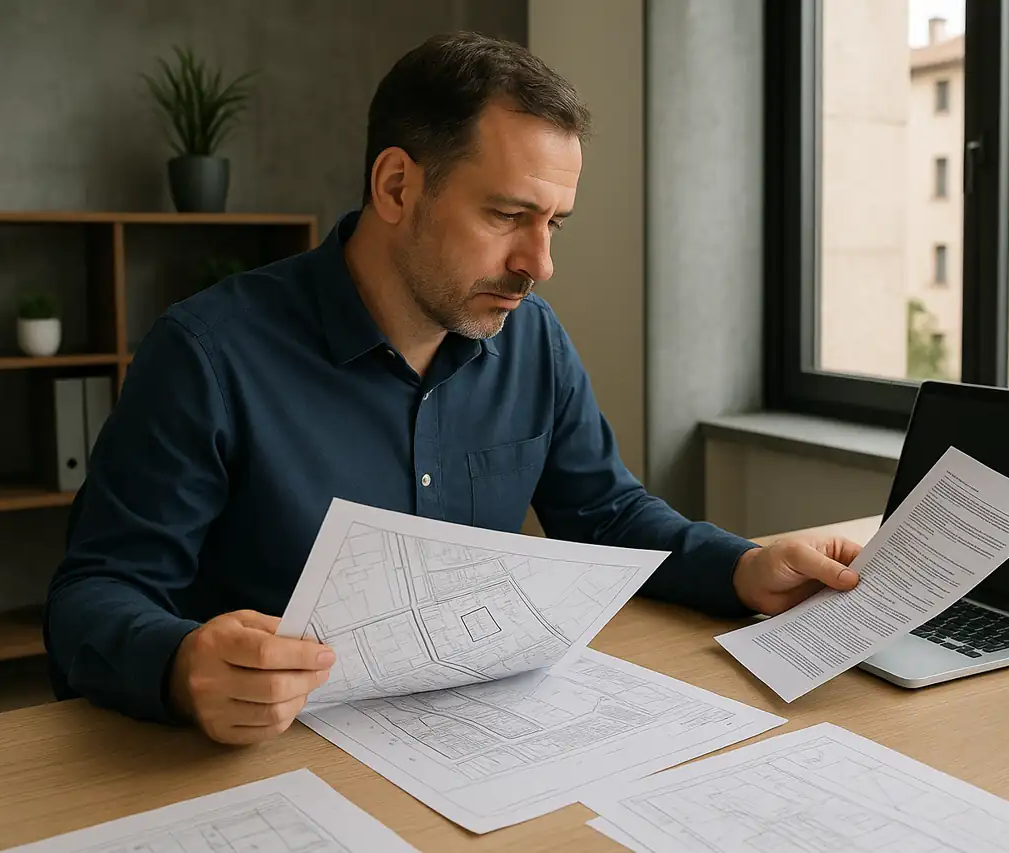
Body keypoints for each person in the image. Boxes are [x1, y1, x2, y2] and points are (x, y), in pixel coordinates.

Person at [44, 31, 862, 745]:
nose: (539, 265)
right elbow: (94, 595)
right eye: (509, 216)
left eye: (555, 224)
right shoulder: (207, 354)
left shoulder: (530, 339)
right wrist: (182, 665)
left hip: (474, 745)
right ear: (397, 186)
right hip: (273, 757)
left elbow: (607, 514)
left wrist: (744, 566)